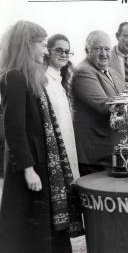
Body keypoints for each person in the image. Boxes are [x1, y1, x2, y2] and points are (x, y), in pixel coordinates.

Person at [0, 21, 82, 253]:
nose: (45, 50)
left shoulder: (28, 75)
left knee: (45, 223)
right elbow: (14, 129)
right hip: (30, 165)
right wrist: (28, 168)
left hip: (40, 160)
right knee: (31, 227)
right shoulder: (15, 77)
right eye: (42, 44)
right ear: (26, 44)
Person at [72, 30, 125, 176]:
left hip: (113, 151)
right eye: (98, 49)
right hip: (95, 155)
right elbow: (105, 106)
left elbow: (126, 96)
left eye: (107, 49)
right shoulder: (84, 72)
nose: (104, 53)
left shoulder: (113, 72)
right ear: (87, 50)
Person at [44, 34, 80, 181]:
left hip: (68, 148)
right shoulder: (43, 81)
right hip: (54, 151)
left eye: (67, 51)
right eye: (59, 50)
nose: (64, 55)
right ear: (48, 51)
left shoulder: (60, 81)